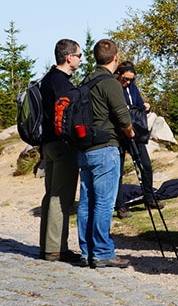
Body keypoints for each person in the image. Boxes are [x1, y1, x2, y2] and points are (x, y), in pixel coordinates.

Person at [77, 39, 135, 268]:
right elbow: (122, 117)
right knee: (104, 202)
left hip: (85, 147)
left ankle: (86, 251)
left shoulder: (86, 81)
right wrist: (130, 133)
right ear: (116, 57)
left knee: (86, 201)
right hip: (105, 147)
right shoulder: (110, 83)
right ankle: (102, 252)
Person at [38, 39, 83, 262]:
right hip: (62, 145)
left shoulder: (47, 79)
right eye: (79, 55)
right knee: (60, 197)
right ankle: (55, 249)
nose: (81, 60)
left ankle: (47, 244)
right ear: (69, 57)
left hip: (47, 145)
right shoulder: (62, 84)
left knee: (51, 195)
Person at [114, 61, 163, 219]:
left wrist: (145, 106)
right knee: (118, 172)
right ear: (118, 75)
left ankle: (149, 198)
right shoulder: (113, 88)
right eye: (125, 79)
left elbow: (138, 104)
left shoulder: (132, 88)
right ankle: (120, 206)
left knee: (146, 165)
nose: (128, 82)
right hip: (119, 135)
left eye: (131, 80)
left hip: (135, 131)